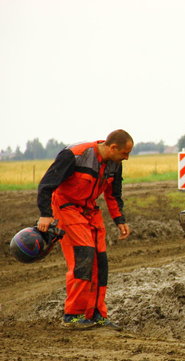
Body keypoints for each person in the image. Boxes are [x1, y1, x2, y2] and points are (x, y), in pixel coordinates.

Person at [37, 129, 134, 330]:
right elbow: (46, 185)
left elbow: (113, 195)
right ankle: (73, 314)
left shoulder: (115, 164)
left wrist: (119, 220)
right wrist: (45, 214)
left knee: (101, 261)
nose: (126, 158)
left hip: (90, 210)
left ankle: (97, 313)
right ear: (113, 147)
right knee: (84, 257)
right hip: (66, 208)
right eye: (125, 153)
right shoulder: (75, 155)